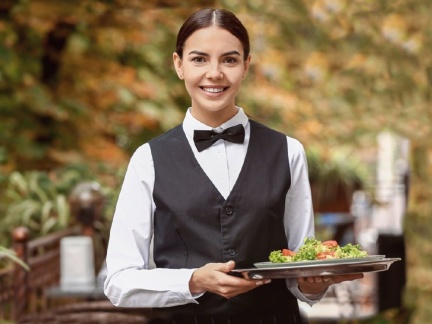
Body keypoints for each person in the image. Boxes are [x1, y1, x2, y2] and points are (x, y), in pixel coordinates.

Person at [104, 8, 362, 323]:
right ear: (179, 65)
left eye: (229, 60)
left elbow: (298, 268)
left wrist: (313, 283)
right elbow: (119, 281)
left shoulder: (289, 151)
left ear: (245, 66)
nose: (215, 73)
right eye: (199, 59)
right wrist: (193, 280)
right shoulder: (148, 159)